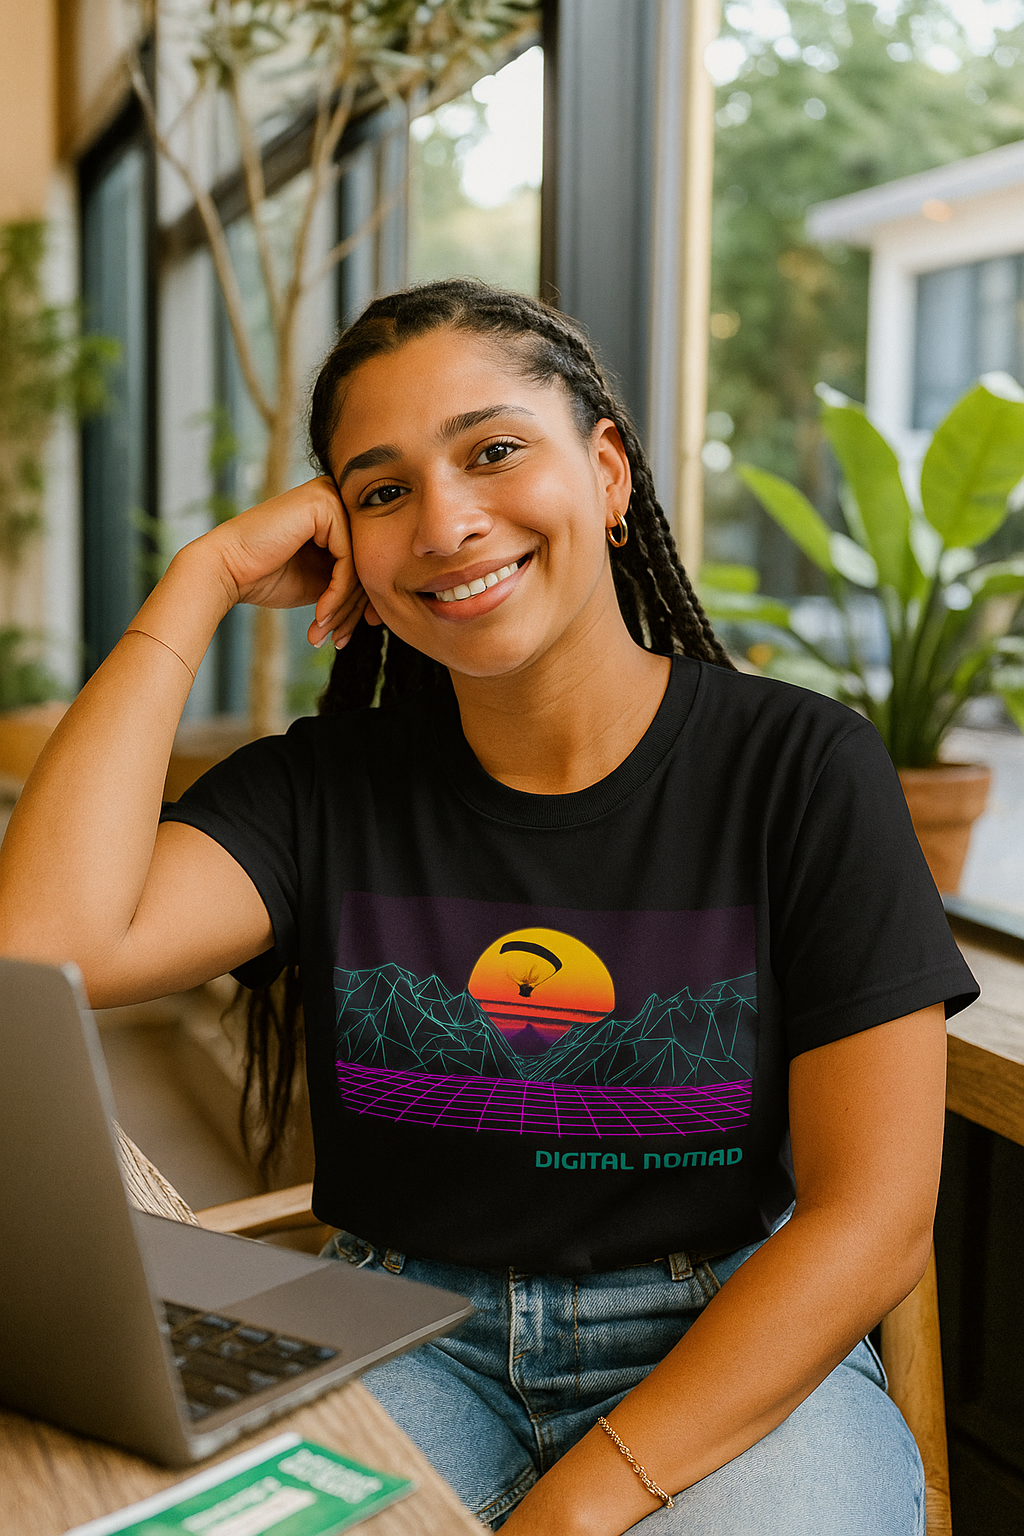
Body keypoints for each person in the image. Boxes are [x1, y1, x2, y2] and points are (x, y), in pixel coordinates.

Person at [0, 279, 977, 1534]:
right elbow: (40, 954)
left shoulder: (798, 768)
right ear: (340, 541)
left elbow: (873, 1215)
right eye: (383, 490)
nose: (448, 520)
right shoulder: (324, 788)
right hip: (408, 1334)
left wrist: (574, 1509)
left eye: (495, 451)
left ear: (608, 471)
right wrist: (200, 580)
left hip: (726, 1338)